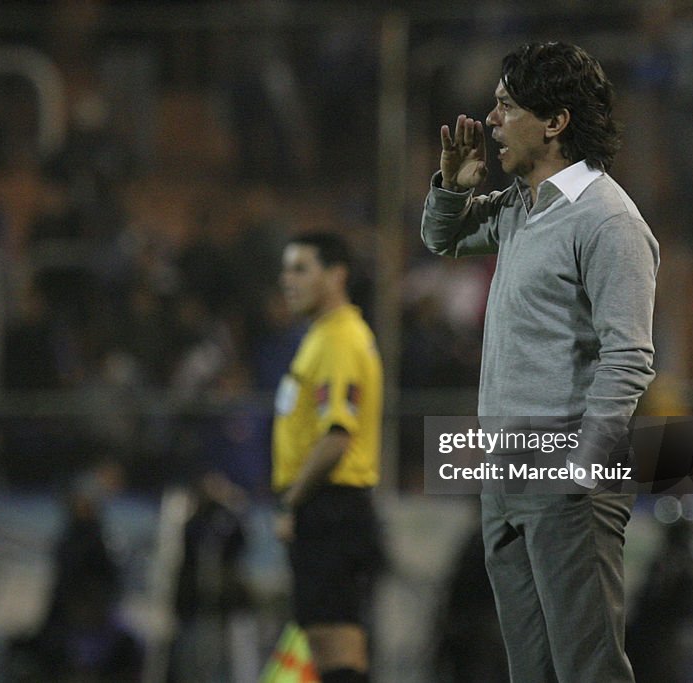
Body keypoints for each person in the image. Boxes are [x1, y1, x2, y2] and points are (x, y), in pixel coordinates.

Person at [421, 42, 659, 682]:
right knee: (532, 671)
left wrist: (584, 466)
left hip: (566, 465)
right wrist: (453, 186)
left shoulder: (609, 220)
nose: (491, 120)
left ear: (554, 122)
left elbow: (629, 355)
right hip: (505, 464)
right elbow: (442, 238)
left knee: (587, 670)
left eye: (506, 105)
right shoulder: (522, 208)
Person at [272, 232, 384, 683]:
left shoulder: (339, 339)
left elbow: (337, 436)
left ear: (336, 276)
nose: (288, 280)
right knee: (328, 647)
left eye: (301, 268)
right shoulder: (321, 336)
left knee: (338, 649)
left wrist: (292, 502)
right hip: (328, 507)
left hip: (331, 506)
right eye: (286, 269)